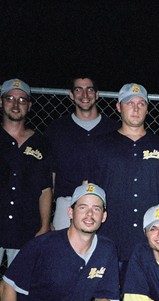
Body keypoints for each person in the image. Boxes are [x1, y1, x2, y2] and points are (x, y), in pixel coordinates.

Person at [89, 83, 159, 294]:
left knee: (152, 297)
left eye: (141, 104)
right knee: (109, 297)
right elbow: (90, 191)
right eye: (129, 103)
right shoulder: (101, 146)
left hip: (151, 238)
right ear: (118, 107)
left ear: (147, 109)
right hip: (111, 236)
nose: (135, 108)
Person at [45, 76, 119, 230]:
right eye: (78, 90)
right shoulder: (57, 129)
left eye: (90, 90)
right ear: (71, 95)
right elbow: (50, 176)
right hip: (67, 203)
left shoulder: (113, 129)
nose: (85, 95)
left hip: (103, 205)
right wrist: (48, 218)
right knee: (62, 252)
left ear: (97, 94)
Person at [0, 78, 52, 267]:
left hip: (26, 229)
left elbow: (46, 189)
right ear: (1, 101)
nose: (15, 104)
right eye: (10, 98)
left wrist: (45, 225)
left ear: (29, 106)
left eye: (22, 100)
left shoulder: (41, 143)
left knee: (18, 289)